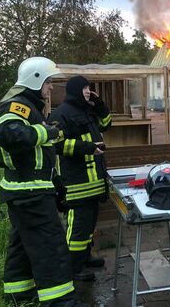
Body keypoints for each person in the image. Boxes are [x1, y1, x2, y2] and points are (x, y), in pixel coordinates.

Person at [0, 57, 87, 307]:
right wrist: (47, 132)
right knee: (50, 247)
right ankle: (61, 302)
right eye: (48, 81)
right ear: (35, 80)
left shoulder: (26, 106)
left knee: (22, 245)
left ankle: (19, 295)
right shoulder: (16, 106)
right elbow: (8, 134)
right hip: (29, 191)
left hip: (26, 190)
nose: (51, 87)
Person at [48, 76, 112, 281]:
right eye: (84, 88)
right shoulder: (60, 114)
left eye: (89, 88)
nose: (88, 91)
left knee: (89, 225)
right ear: (75, 90)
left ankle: (85, 257)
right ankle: (73, 268)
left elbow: (106, 124)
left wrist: (100, 105)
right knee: (77, 227)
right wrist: (88, 148)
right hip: (77, 183)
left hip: (94, 183)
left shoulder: (88, 110)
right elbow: (57, 145)